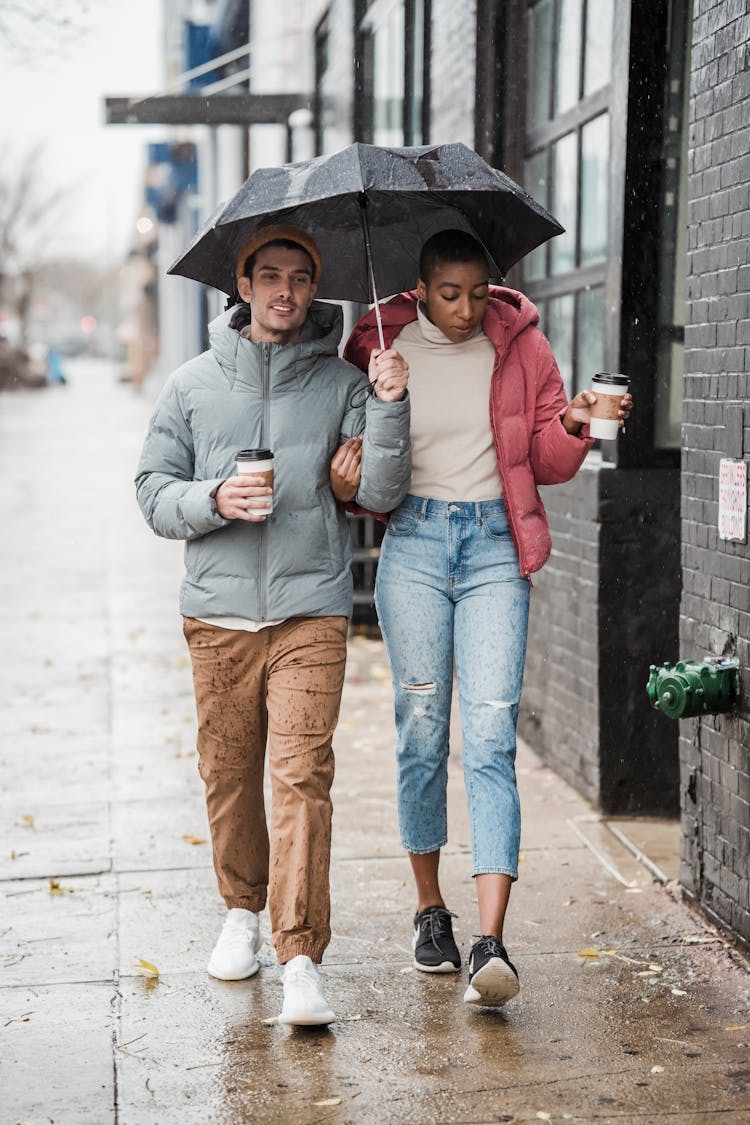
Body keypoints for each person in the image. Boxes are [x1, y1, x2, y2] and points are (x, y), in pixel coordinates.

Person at [337, 229, 632, 1009]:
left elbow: (547, 459)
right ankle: (431, 910)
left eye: (477, 292)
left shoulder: (525, 344)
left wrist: (570, 423)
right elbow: (356, 469)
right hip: (414, 548)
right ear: (421, 288)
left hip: (497, 545)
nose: (466, 309)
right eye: (449, 294)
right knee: (423, 727)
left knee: (494, 735)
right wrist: (365, 428)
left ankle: (491, 940)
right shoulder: (379, 341)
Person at [135, 224, 410, 1026]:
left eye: (300, 277)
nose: (285, 290)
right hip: (216, 614)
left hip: (310, 610)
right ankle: (240, 911)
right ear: (244, 286)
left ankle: (299, 955)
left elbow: (384, 490)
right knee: (228, 775)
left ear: (314, 288)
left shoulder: (343, 381)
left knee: (300, 776)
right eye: (270, 276)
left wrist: (389, 406)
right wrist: (212, 498)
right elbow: (152, 489)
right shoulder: (191, 385)